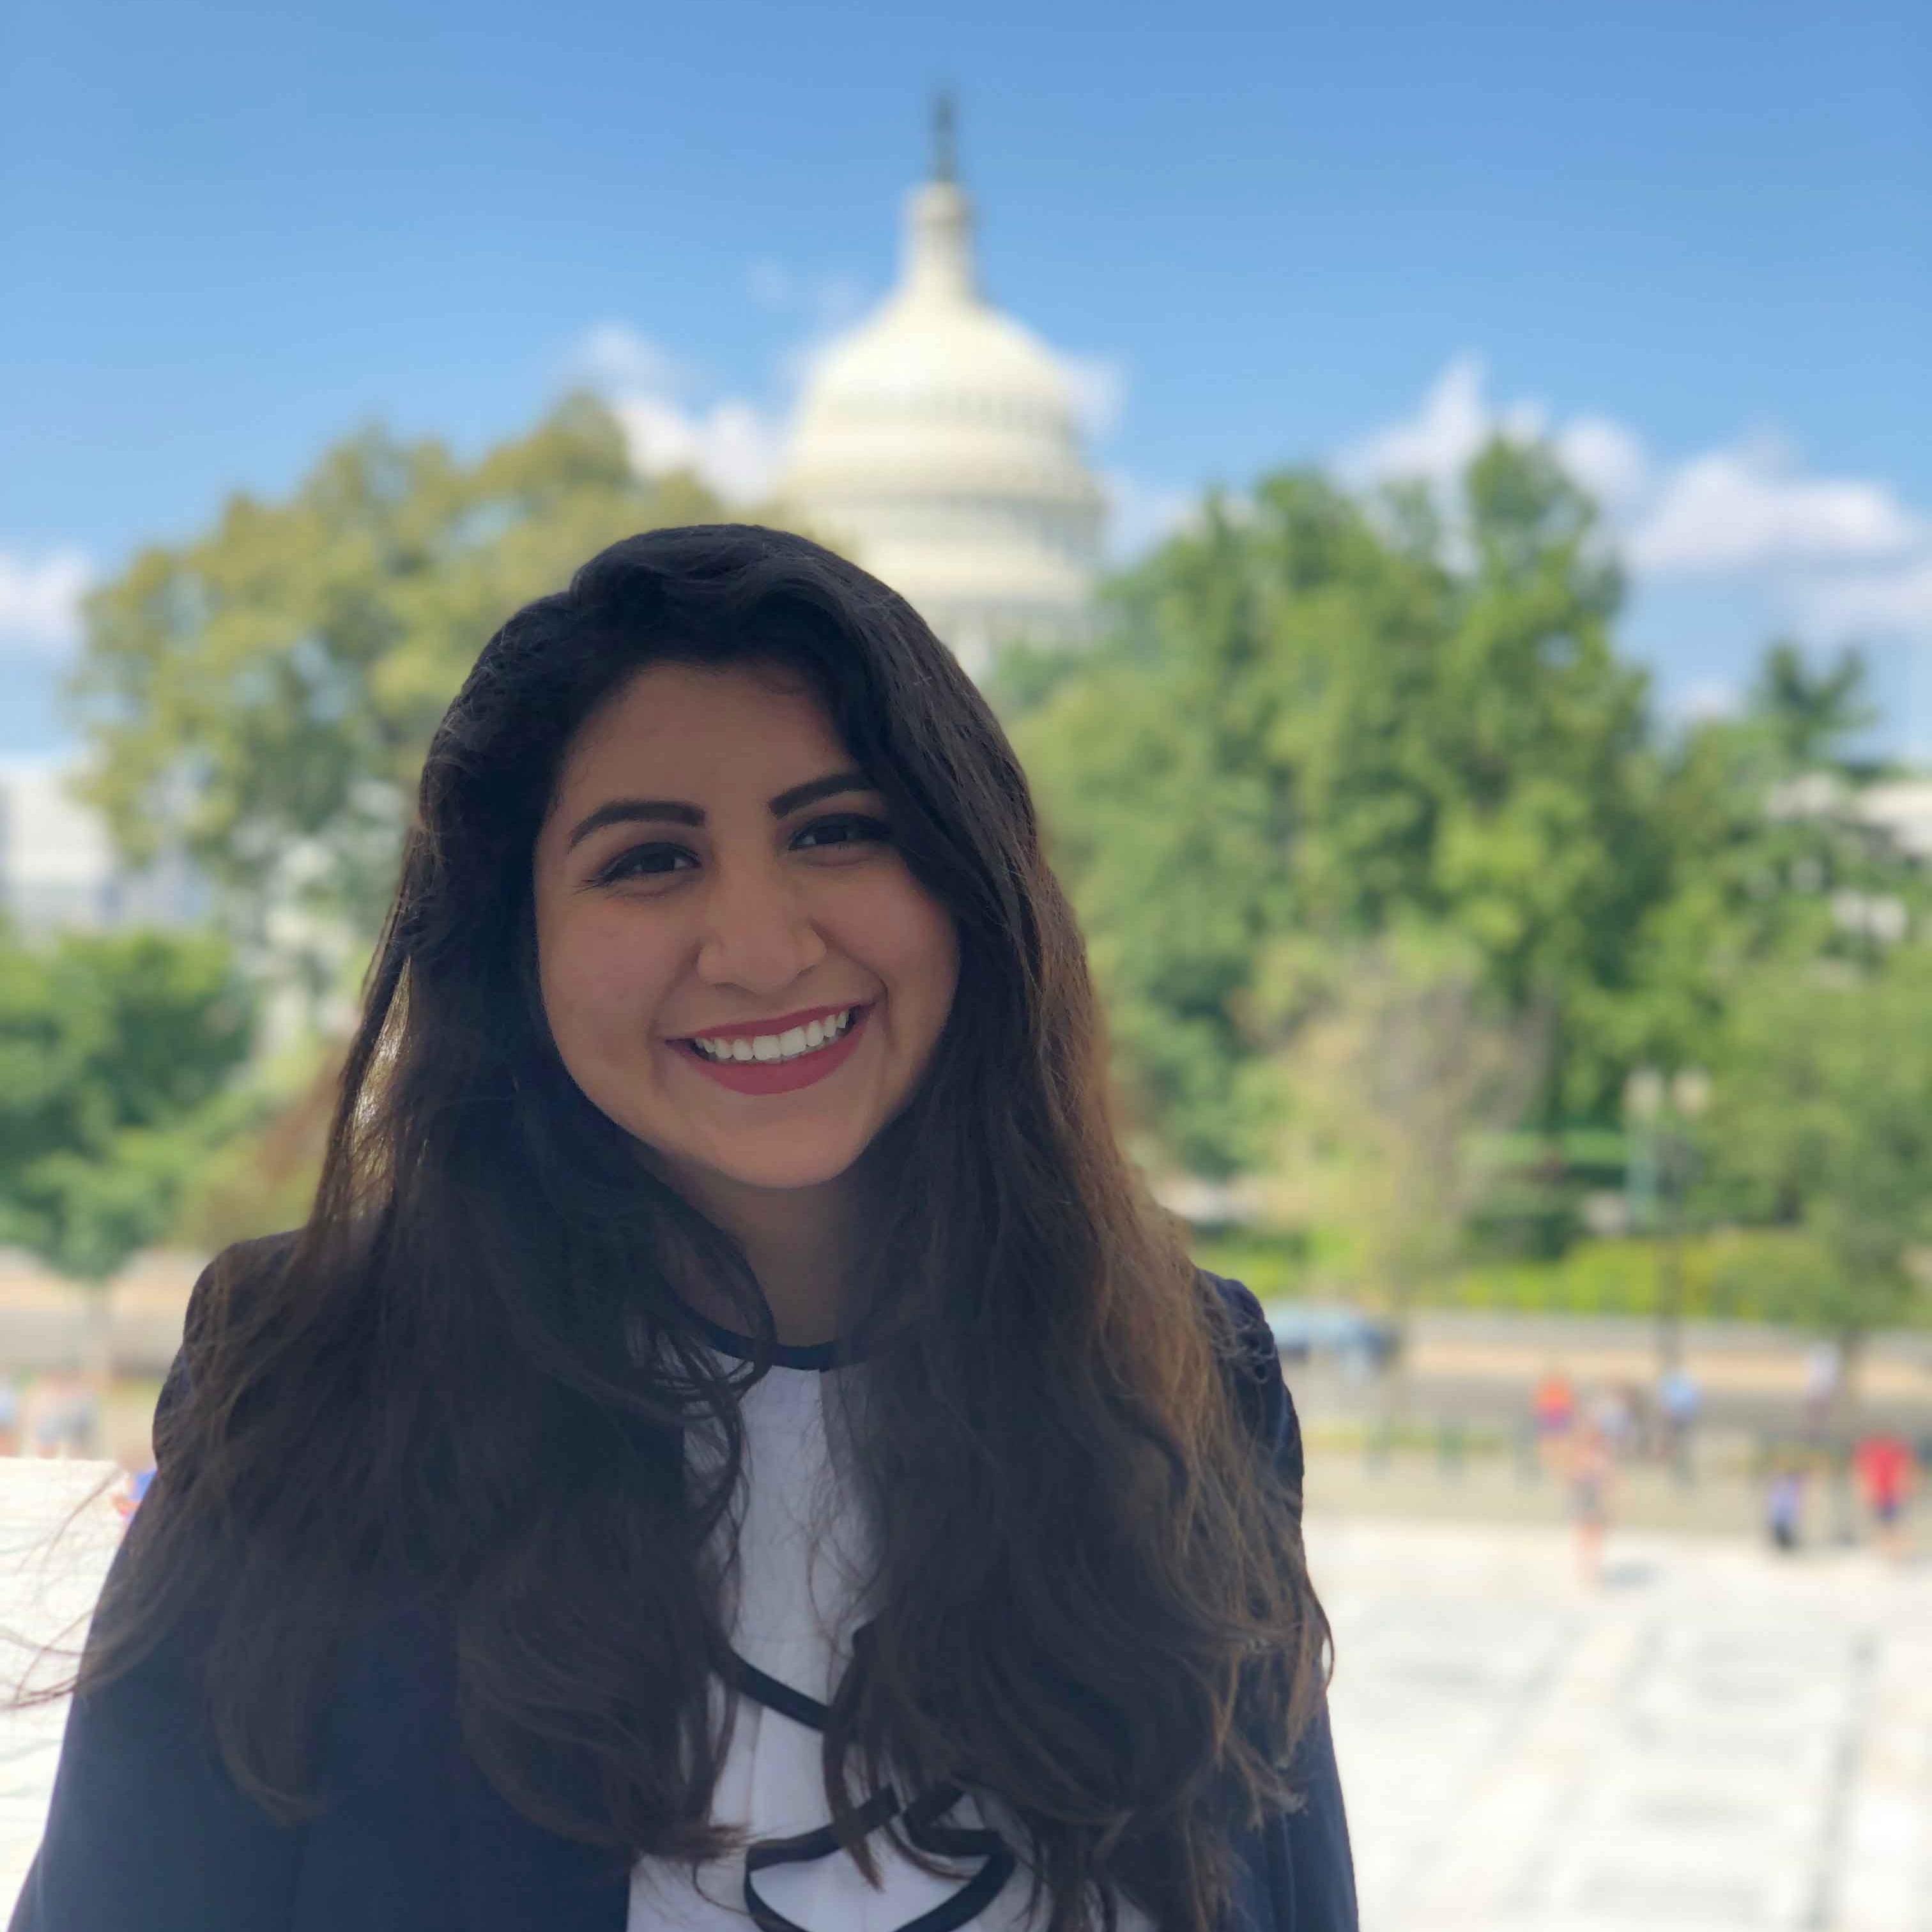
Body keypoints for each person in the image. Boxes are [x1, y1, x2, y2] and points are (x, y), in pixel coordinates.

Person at [12, 527, 1355, 1932]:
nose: (762, 948)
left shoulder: (1186, 1375)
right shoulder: (320, 1389)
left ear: (968, 883)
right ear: (511, 949)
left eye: (837, 831)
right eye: (651, 861)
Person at [1851, 1430, 1916, 1564]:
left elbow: (1903, 1470)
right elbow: (1863, 1473)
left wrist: (1903, 1489)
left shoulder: (1893, 1450)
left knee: (1893, 1525)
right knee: (1886, 1525)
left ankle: (1896, 1555)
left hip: (1891, 1494)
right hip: (1882, 1494)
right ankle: (1889, 1555)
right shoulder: (1870, 1450)